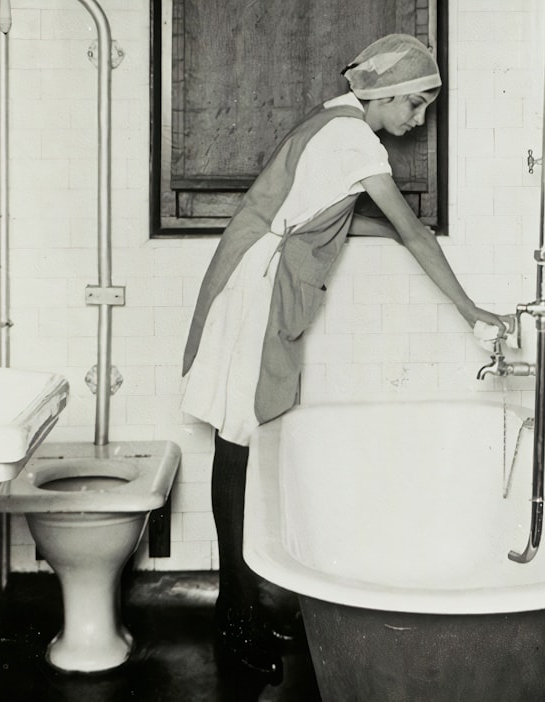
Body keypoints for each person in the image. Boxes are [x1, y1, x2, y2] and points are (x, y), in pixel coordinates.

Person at [180, 34, 506, 681]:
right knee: (237, 446)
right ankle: (234, 618)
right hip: (254, 290)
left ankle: (247, 605)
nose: (417, 120)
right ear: (383, 94)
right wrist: (474, 311)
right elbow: (410, 229)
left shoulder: (333, 124)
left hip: (254, 278)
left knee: (244, 441)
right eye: (414, 104)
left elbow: (327, 212)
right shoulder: (354, 140)